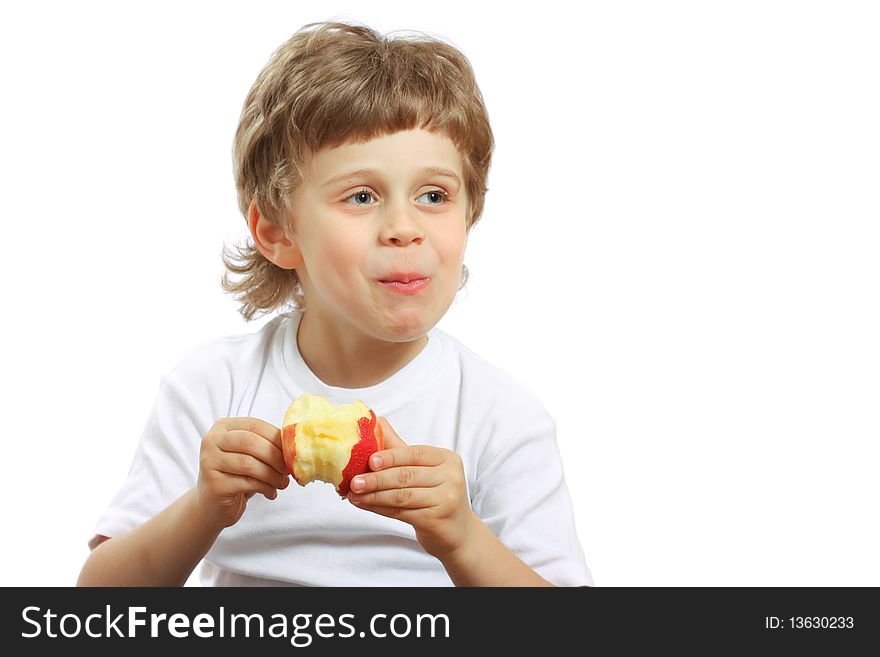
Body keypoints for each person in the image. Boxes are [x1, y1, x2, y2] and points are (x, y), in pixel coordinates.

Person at [78, 20, 593, 587]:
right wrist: (201, 508)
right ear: (277, 233)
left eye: (434, 196)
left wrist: (464, 538)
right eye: (362, 196)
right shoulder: (212, 388)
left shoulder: (500, 416)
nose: (404, 228)